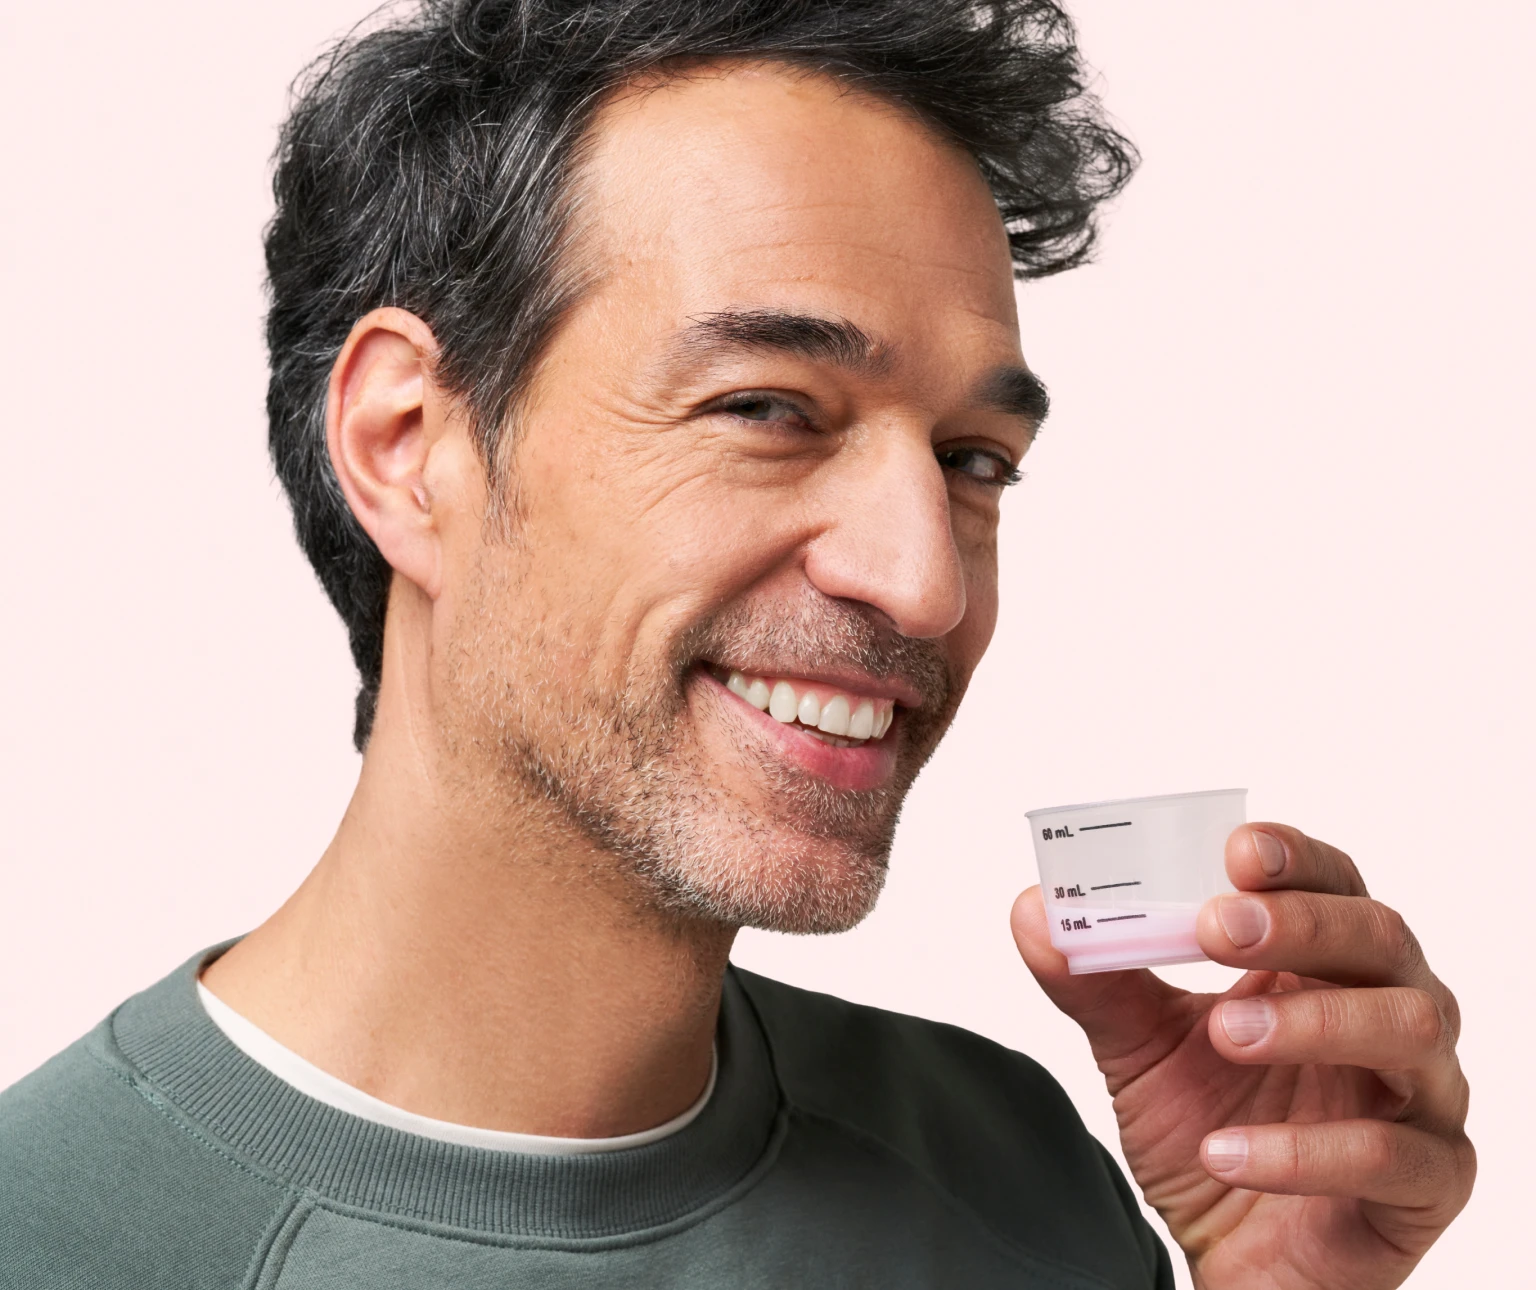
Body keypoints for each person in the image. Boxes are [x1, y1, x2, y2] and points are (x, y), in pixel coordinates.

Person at [0, 1, 1474, 1285]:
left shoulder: (1023, 1175)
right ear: (405, 447)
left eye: (974, 460)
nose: (924, 584)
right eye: (770, 409)